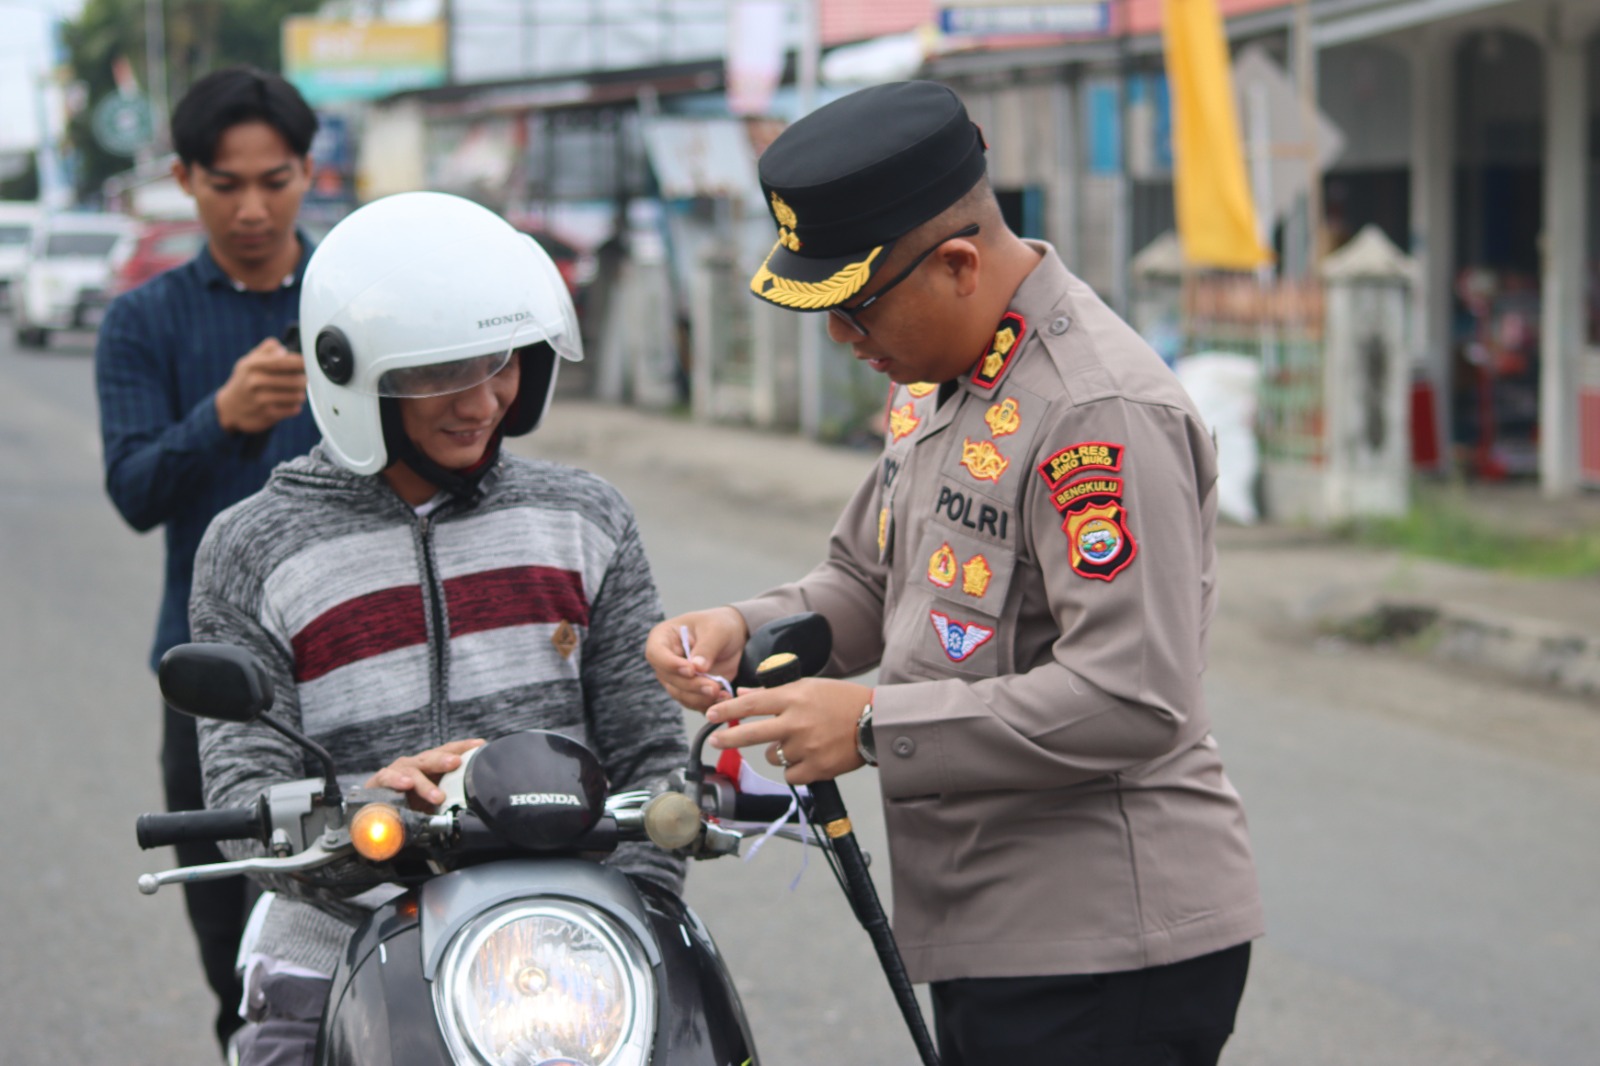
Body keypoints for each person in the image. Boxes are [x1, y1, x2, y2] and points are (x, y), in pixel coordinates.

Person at [646, 81, 1262, 1065]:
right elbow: (868, 577)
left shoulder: (1094, 409)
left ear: (959, 264)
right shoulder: (945, 377)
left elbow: (1133, 693)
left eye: (855, 311)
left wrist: (868, 724)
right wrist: (743, 626)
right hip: (996, 926)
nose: (845, 343)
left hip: (1103, 946)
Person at [189, 191, 688, 1066]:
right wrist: (361, 824)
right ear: (350, 376)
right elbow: (243, 801)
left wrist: (635, 906)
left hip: (568, 955)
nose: (480, 400)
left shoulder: (585, 518)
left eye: (496, 361)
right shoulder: (251, 546)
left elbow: (648, 753)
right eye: (433, 374)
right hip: (336, 941)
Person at [93, 65, 321, 1055]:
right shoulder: (140, 322)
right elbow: (136, 490)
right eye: (227, 185)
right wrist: (220, 420)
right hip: (211, 681)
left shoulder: (360, 301)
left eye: (275, 180)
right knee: (243, 971)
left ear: (309, 172)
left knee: (407, 928)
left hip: (367, 658)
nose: (254, 208)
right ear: (184, 180)